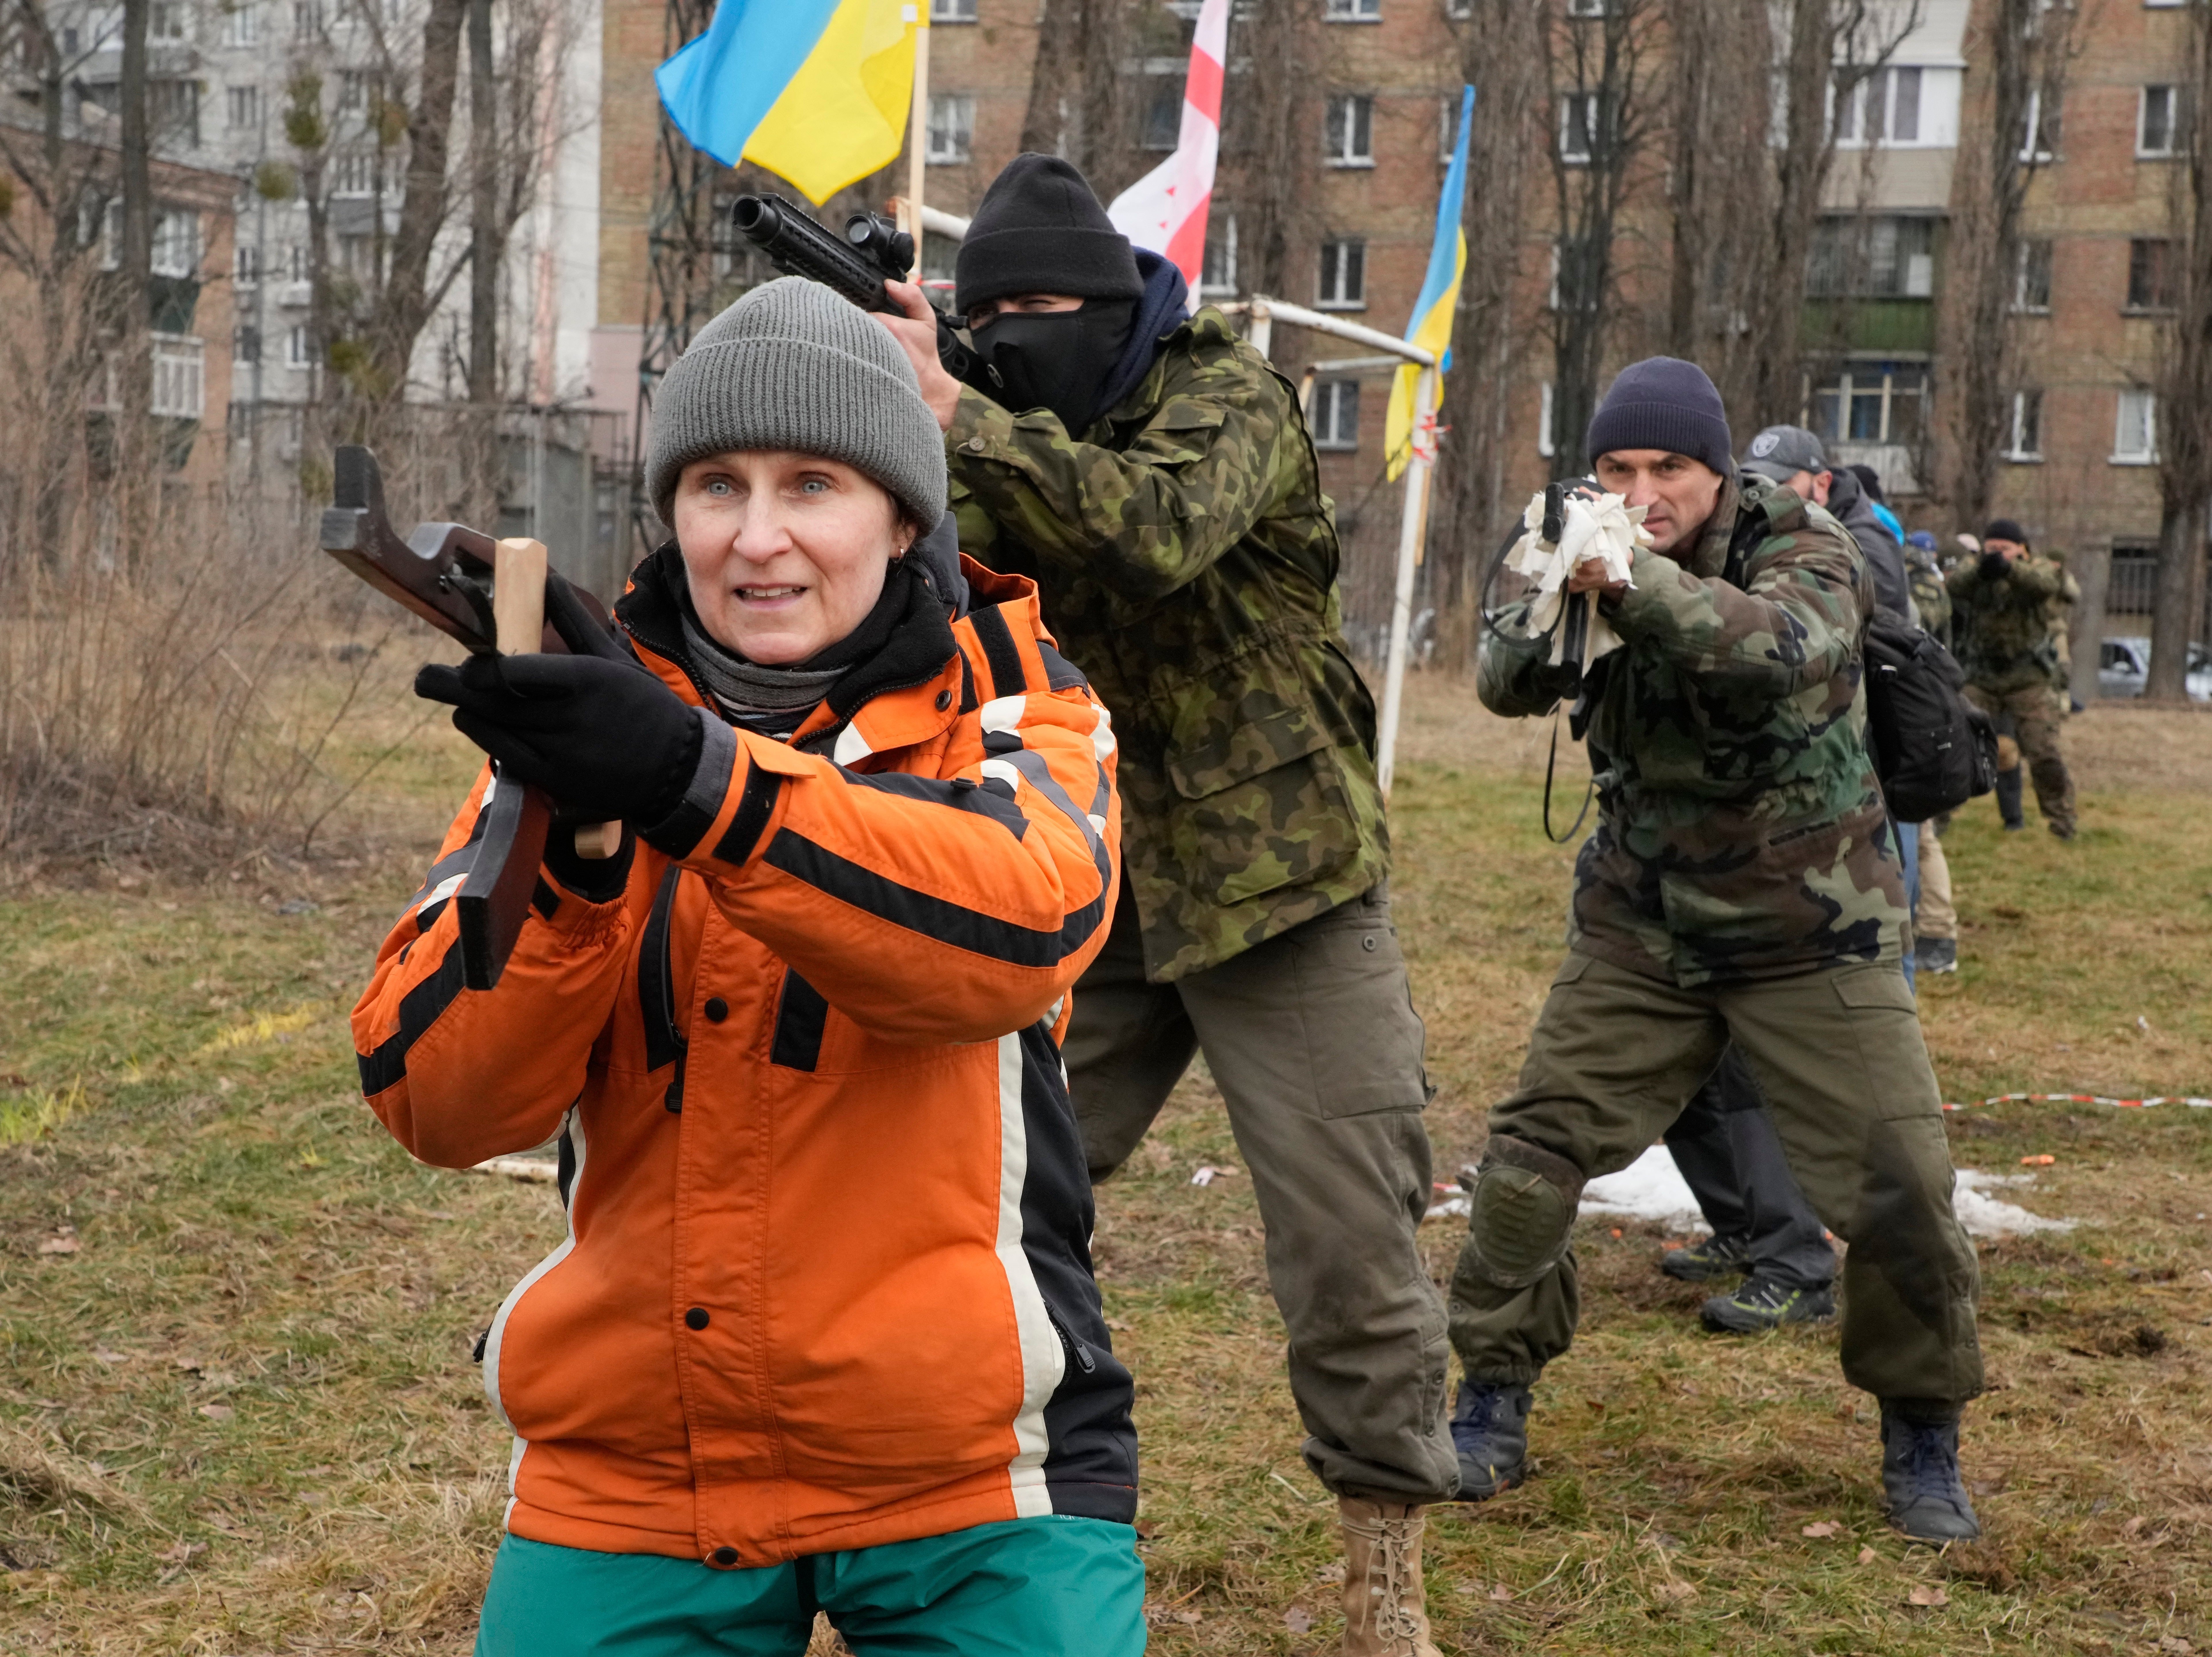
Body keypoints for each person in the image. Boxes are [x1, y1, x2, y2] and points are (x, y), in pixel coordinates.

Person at [355, 278, 1145, 1656]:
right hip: (635, 1464)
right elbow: (439, 1105)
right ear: (671, 511)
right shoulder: (588, 730)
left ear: (903, 516)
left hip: (975, 1463)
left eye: (815, 482)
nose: (759, 537)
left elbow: (1015, 935)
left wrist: (693, 782)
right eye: (717, 483)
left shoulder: (1025, 708)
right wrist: (576, 867)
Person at [872, 153, 1454, 1656]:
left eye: (1043, 310)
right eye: (985, 318)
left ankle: (1380, 1564)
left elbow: (1151, 528)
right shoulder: (996, 435)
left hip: (1287, 890)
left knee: (1349, 1241)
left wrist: (954, 407)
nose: (1016, 337)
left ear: (1118, 304)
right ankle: (929, 1508)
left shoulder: (1225, 395)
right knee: (963, 1193)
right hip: (1094, 885)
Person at [1446, 356, 1985, 1545]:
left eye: (1668, 470)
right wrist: (1559, 590)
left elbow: (1775, 650)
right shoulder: (1575, 533)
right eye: (1618, 470)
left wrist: (1628, 583)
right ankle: (1489, 1395)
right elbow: (1495, 680)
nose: (1642, 493)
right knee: (1527, 1164)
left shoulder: (1800, 538)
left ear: (1715, 469)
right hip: (1642, 927)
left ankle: (1920, 1432)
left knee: (1899, 1187)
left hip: (1812, 928)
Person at [1947, 518, 2079, 839]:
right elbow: (1953, 586)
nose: (1997, 554)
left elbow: (2046, 585)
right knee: (1954, 745)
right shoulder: (1975, 569)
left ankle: (2063, 822)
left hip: (2028, 678)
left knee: (2043, 751)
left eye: (2004, 549)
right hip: (1982, 677)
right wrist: (1982, 568)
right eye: (1992, 548)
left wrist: (2009, 570)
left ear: (2020, 549)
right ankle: (1936, 817)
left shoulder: (2036, 568)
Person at [1902, 531, 1962, 974]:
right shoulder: (1928, 585)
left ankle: (1938, 933)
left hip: (1912, 714)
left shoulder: (1915, 588)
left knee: (1919, 835)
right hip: (1926, 709)